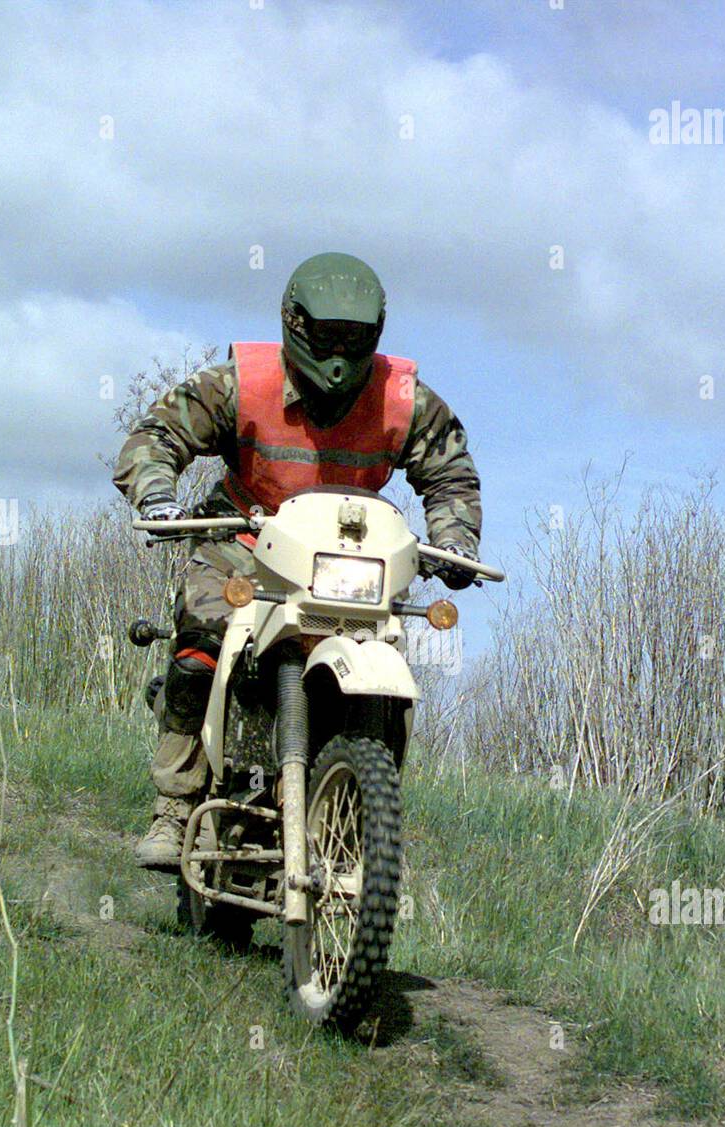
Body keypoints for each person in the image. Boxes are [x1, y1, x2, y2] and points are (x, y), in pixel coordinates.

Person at [113, 252, 483, 869]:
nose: (339, 352)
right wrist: (157, 492)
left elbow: (450, 474)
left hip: (346, 560)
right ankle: (174, 807)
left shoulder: (403, 399)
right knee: (202, 639)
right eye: (328, 334)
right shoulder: (243, 383)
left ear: (376, 335)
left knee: (382, 661)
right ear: (295, 323)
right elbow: (156, 436)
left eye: (355, 338)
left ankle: (358, 811)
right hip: (245, 545)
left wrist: (456, 540)